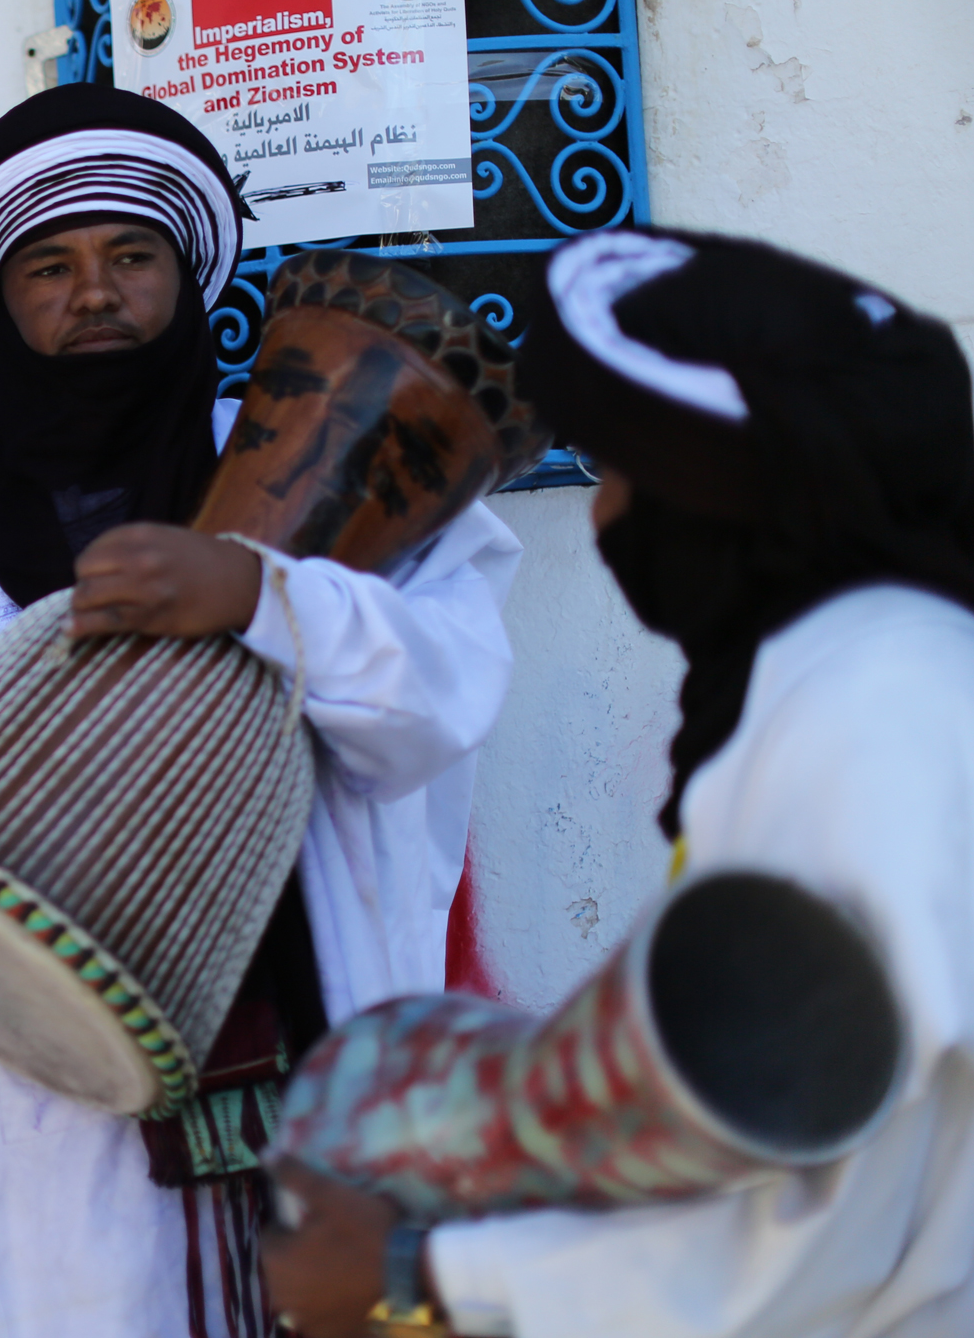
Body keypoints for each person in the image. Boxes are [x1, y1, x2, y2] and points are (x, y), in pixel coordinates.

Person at [0, 83, 523, 1338]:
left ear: (185, 282)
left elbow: (441, 694)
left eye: (132, 255)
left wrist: (258, 593)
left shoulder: (341, 483)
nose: (94, 292)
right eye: (49, 266)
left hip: (302, 1089)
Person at [259, 228, 974, 1338]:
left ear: (717, 500)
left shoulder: (868, 720)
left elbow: (842, 1200)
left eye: (625, 475)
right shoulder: (865, 668)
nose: (601, 518)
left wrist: (427, 1277)